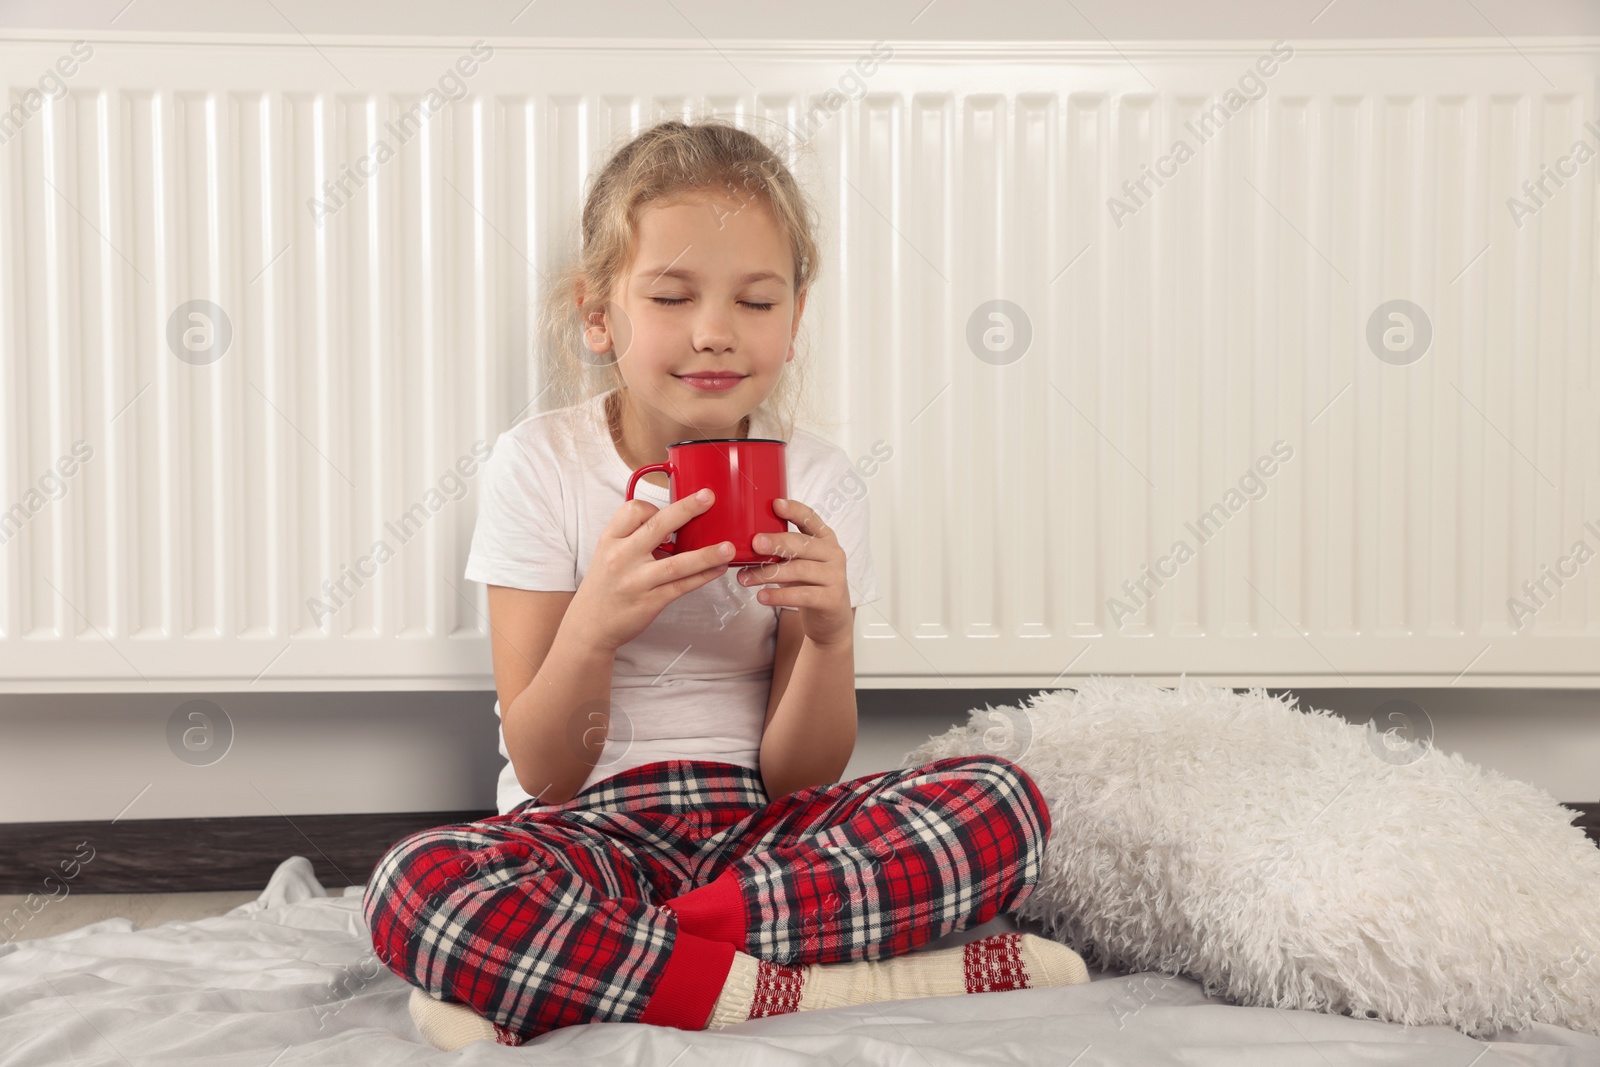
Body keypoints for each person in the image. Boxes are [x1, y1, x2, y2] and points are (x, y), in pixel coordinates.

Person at [361, 117, 1087, 1050]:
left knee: (1002, 804)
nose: (714, 333)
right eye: (670, 295)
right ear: (597, 315)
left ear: (794, 317)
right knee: (419, 885)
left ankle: (589, 974)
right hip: (588, 834)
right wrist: (592, 629)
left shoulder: (819, 481)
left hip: (760, 836)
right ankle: (817, 985)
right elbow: (543, 771)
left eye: (755, 301)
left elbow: (802, 776)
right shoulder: (538, 463)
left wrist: (828, 638)